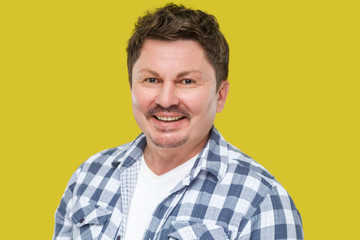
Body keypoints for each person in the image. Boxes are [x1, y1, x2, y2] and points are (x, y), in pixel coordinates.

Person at [53, 3, 303, 240]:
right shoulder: (88, 177)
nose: (165, 99)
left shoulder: (261, 201)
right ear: (131, 87)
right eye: (151, 80)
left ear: (220, 96)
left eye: (187, 81)